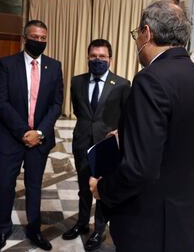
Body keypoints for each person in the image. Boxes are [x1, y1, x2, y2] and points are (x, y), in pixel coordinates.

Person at [89, 0, 194, 252]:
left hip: (149, 227)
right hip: (185, 221)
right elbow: (181, 139)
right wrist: (128, 133)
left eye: (136, 34)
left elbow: (140, 169)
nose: (137, 42)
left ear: (146, 33)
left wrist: (103, 189)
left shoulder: (150, 80)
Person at [0, 20, 63, 251]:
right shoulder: (6, 64)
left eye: (43, 38)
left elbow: (56, 104)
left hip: (39, 140)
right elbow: (0, 102)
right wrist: (24, 132)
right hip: (10, 138)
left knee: (34, 186)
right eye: (35, 37)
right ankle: (3, 228)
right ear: (24, 38)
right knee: (4, 184)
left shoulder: (54, 66)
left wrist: (39, 132)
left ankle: (34, 229)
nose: (39, 41)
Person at [63, 39, 130, 250]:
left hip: (106, 145)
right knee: (83, 187)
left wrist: (118, 132)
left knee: (102, 189)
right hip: (82, 141)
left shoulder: (121, 84)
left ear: (110, 59)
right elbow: (78, 110)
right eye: (93, 56)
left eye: (102, 57)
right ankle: (82, 223)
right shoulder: (76, 81)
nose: (98, 60)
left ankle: (99, 229)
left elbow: (125, 115)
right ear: (88, 57)